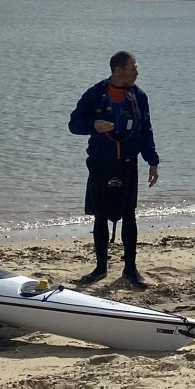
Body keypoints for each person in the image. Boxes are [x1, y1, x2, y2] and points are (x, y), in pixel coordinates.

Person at [68, 51, 161, 287]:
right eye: (133, 68)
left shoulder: (138, 96)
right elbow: (74, 124)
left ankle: (130, 269)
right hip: (101, 162)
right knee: (100, 216)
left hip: (128, 163)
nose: (137, 73)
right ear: (118, 70)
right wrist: (94, 125)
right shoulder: (96, 94)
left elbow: (146, 130)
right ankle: (100, 267)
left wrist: (152, 161)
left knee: (129, 215)